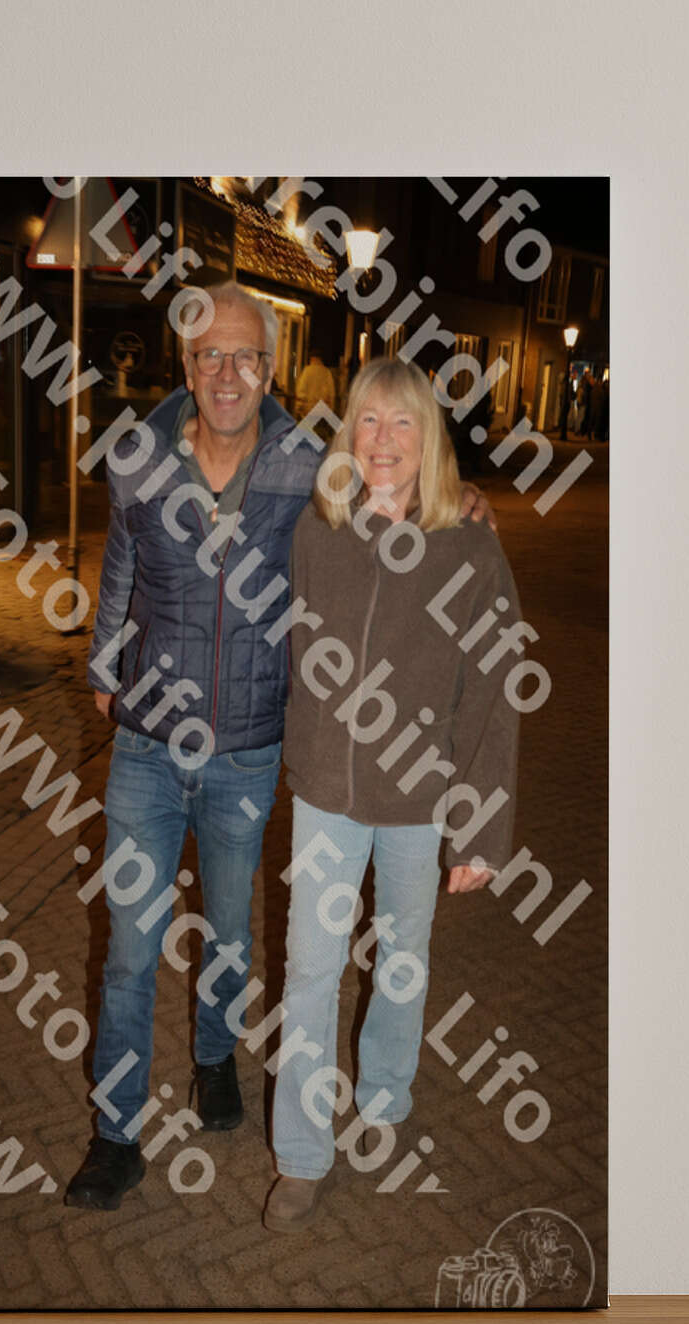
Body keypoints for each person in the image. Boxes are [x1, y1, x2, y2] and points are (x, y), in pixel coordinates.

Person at [66, 285, 494, 1211]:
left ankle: (219, 1061)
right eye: (210, 356)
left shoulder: (305, 469)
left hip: (250, 752)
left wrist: (461, 497)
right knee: (135, 950)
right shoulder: (140, 459)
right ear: (187, 366)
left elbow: (391, 477)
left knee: (234, 936)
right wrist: (104, 661)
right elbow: (123, 561)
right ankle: (118, 1136)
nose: (228, 373)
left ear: (269, 369)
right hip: (148, 743)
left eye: (246, 357)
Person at [264, 357, 521, 1233]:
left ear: (428, 439)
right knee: (311, 969)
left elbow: (493, 689)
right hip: (327, 792)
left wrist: (479, 829)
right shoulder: (319, 528)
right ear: (349, 433)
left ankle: (382, 1097)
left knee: (403, 959)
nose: (383, 440)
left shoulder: (469, 545)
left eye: (402, 422)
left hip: (421, 798)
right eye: (368, 420)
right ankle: (301, 1155)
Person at [295, 350, 337, 420]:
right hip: (322, 409)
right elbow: (331, 392)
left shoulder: (307, 371)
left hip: (308, 410)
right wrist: (331, 408)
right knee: (320, 427)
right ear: (320, 359)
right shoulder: (326, 372)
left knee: (307, 426)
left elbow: (301, 390)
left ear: (312, 358)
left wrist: (299, 407)